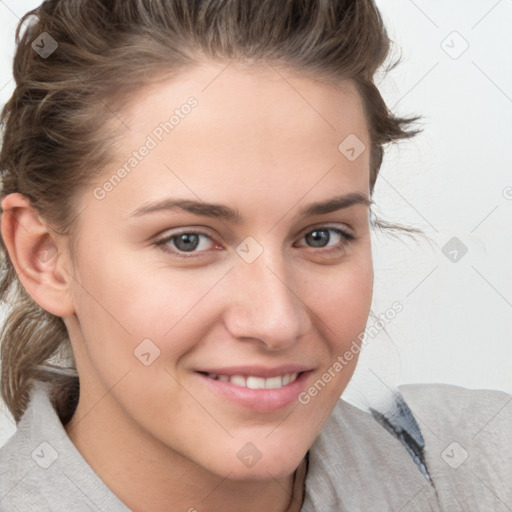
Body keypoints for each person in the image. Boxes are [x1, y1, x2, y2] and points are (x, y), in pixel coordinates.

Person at [0, 0, 510, 510]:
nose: (276, 321)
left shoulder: (483, 468)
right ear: (44, 256)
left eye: (321, 236)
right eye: (189, 241)